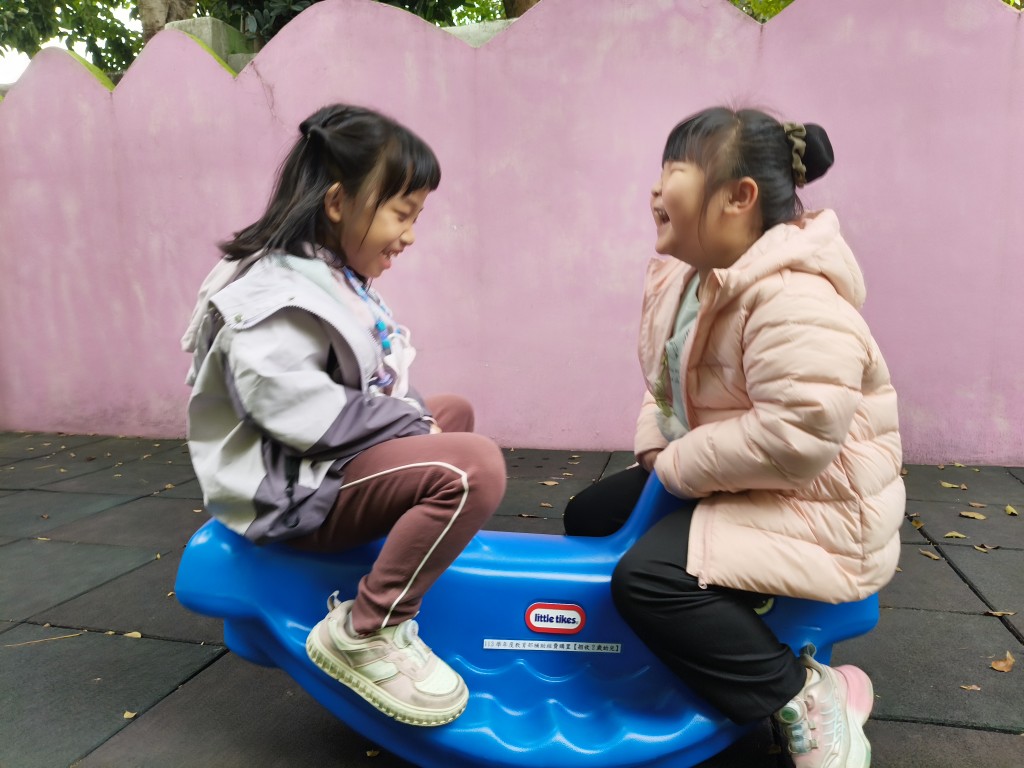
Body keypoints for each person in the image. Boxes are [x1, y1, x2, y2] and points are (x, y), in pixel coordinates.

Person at [563, 107, 903, 767]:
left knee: (649, 580)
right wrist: (659, 448)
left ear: (738, 198)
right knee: (591, 517)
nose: (655, 189)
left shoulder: (793, 297)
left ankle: (803, 691)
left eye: (674, 171)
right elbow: (667, 386)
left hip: (820, 506)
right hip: (744, 478)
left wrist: (677, 466)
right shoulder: (691, 282)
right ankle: (685, 644)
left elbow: (797, 434)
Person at [182, 103, 507, 727]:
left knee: (453, 412)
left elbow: (368, 381)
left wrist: (415, 417)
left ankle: (399, 555)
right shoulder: (274, 294)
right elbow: (298, 412)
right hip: (288, 491)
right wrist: (408, 422)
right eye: (402, 214)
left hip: (315, 464)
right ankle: (367, 630)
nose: (410, 235)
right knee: (473, 469)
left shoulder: (324, 273)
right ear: (338, 203)